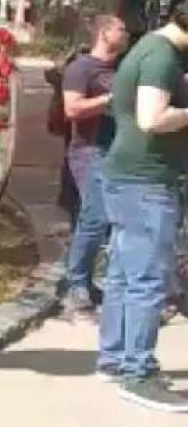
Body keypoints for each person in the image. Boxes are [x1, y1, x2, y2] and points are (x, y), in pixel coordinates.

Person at [98, 1, 188, 411]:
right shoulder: (162, 57)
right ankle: (138, 372)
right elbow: (153, 118)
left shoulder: (150, 49)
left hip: (127, 176)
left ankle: (115, 358)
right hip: (146, 182)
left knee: (123, 273)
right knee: (147, 279)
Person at [61, 15, 128, 313]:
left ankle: (90, 282)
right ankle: (76, 284)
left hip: (118, 152)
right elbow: (72, 109)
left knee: (112, 220)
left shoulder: (119, 69)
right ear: (103, 33)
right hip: (90, 151)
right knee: (95, 217)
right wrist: (111, 99)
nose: (126, 33)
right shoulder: (81, 68)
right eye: (120, 29)